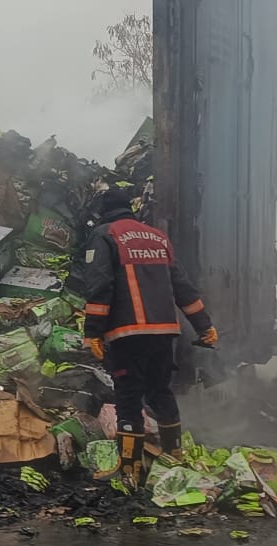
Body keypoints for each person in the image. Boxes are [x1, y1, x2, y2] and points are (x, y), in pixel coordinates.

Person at [80, 190, 218, 488]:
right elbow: (182, 285)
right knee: (160, 391)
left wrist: (92, 331)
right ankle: (174, 456)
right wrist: (204, 325)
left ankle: (130, 469)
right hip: (164, 332)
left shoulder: (105, 235)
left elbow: (99, 285)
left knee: (128, 396)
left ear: (103, 213)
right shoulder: (157, 238)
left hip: (127, 333)